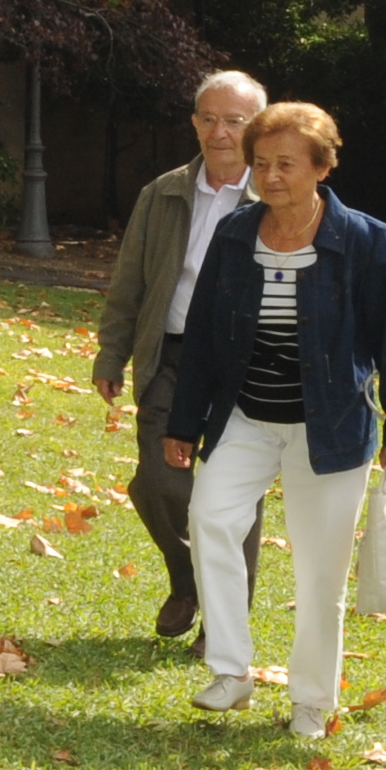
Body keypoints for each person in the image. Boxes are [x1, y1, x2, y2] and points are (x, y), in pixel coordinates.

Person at [160, 101, 386, 741]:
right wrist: (184, 421)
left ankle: (312, 700)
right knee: (211, 518)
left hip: (331, 428)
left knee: (319, 571)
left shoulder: (365, 239)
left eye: (285, 164)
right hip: (246, 417)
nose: (270, 176)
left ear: (321, 167)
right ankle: (231, 670)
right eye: (260, 163)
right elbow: (199, 337)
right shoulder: (234, 233)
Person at [91, 68, 271, 645]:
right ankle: (190, 579)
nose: (220, 133)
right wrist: (111, 353)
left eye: (235, 122)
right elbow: (129, 285)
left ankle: (224, 625)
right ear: (195, 123)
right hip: (169, 355)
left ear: (257, 128)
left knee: (234, 492)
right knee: (158, 483)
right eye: (209, 119)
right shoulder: (163, 193)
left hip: (243, 365)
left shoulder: (275, 197)